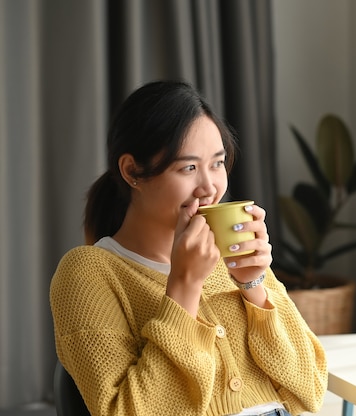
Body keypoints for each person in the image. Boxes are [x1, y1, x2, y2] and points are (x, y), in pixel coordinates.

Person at [49, 80, 328, 416]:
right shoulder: (88, 272)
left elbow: (311, 388)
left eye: (217, 163)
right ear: (132, 171)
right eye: (188, 168)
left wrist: (255, 288)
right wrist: (185, 285)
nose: (209, 187)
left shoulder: (234, 255)